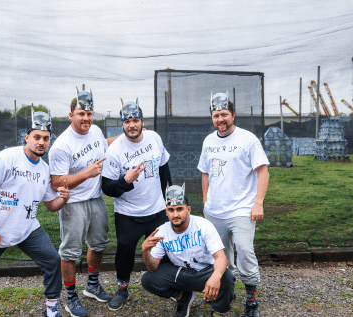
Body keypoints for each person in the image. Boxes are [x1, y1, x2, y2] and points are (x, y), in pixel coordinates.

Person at [0, 110, 70, 317]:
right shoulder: (7, 157)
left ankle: (51, 312)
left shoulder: (44, 169)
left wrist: (64, 198)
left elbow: (51, 206)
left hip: (26, 228)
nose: (41, 142)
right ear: (26, 137)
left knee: (52, 260)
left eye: (46, 138)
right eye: (36, 137)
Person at [197, 91, 270, 317]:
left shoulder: (247, 139)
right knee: (220, 256)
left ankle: (251, 300)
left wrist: (258, 203)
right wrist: (206, 200)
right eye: (216, 115)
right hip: (215, 211)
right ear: (212, 117)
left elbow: (263, 171)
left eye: (225, 114)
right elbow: (205, 172)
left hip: (241, 209)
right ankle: (226, 292)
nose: (221, 119)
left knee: (246, 251)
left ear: (233, 115)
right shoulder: (208, 141)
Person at [48, 86, 118, 317]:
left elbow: (104, 145)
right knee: (70, 252)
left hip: (95, 199)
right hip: (73, 203)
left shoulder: (96, 131)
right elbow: (57, 182)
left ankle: (92, 285)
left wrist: (128, 135)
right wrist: (85, 174)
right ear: (71, 115)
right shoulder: (62, 145)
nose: (86, 118)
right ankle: (71, 297)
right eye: (81, 113)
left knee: (98, 244)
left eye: (89, 113)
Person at [101, 98, 172, 311]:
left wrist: (169, 200)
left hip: (156, 208)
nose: (132, 125)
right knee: (125, 251)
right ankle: (122, 288)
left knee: (168, 248)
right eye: (127, 121)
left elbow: (164, 170)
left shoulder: (154, 138)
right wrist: (125, 181)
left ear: (142, 121)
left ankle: (173, 285)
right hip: (128, 213)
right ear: (122, 124)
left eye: (135, 120)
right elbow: (107, 187)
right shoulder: (115, 150)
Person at [141, 184, 235, 317]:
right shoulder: (161, 231)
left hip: (205, 272)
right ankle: (184, 297)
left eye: (180, 209)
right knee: (148, 279)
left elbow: (221, 258)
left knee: (227, 277)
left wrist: (215, 277)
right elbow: (152, 268)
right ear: (166, 212)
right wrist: (145, 251)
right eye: (171, 210)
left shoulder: (203, 225)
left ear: (188, 210)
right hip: (181, 273)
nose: (175, 214)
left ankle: (218, 310)